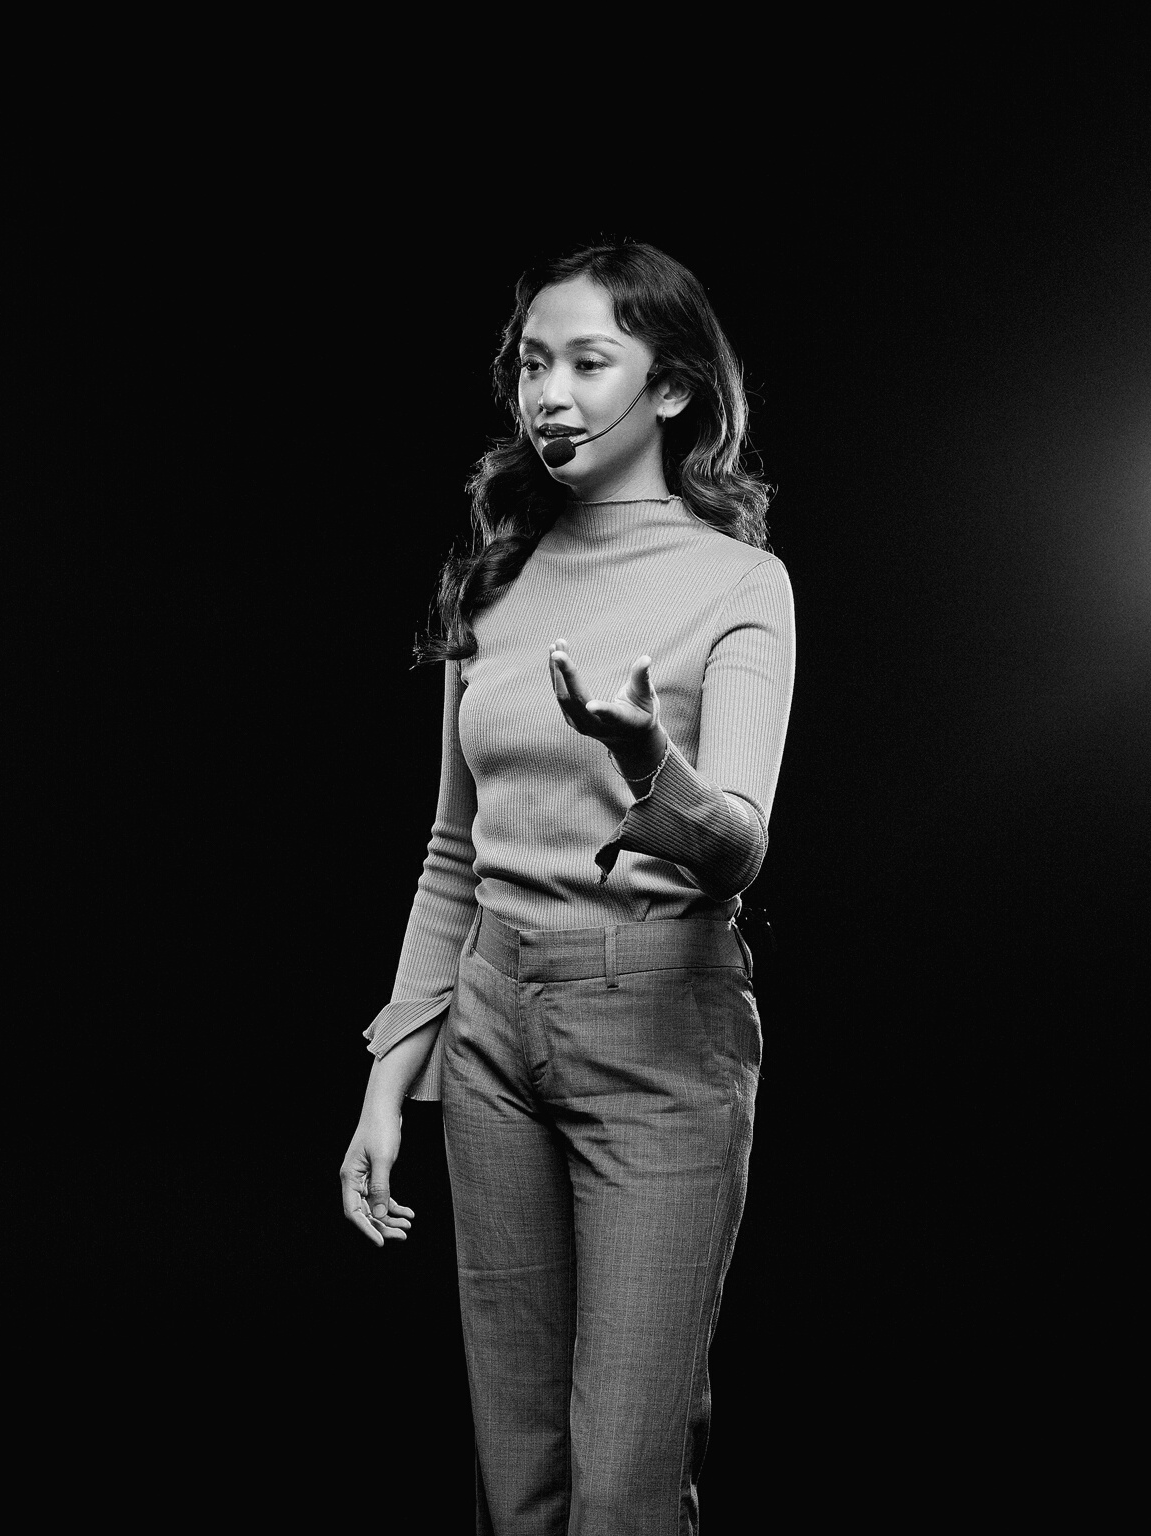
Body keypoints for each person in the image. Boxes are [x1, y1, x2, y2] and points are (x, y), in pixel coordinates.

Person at [336, 239, 795, 1534]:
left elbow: (738, 845)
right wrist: (391, 1075)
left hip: (658, 1026)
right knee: (518, 1476)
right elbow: (451, 849)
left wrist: (647, 756)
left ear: (672, 389)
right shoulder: (495, 575)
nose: (551, 394)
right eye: (534, 364)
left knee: (624, 1481)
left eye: (591, 362)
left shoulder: (738, 585)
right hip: (491, 1028)